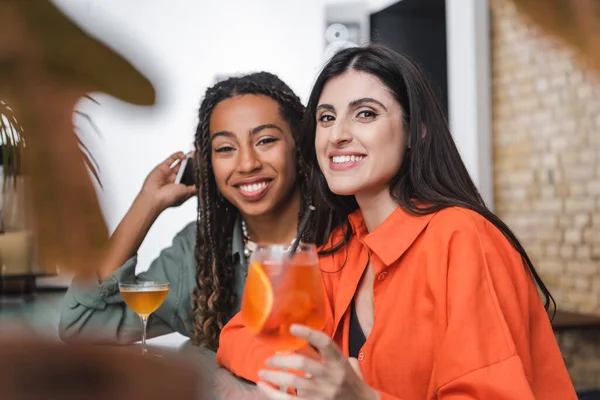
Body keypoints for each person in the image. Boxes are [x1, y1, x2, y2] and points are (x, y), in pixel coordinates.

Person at [216, 45, 577, 399]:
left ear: (415, 131)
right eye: (327, 118)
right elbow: (241, 334)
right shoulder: (344, 245)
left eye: (366, 114)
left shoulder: (463, 238)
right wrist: (312, 382)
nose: (337, 134)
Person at [59, 72, 316, 350]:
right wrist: (148, 203)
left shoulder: (346, 239)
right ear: (208, 163)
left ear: (299, 144)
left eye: (265, 140)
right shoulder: (199, 254)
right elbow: (81, 324)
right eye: (226, 148)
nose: (247, 164)